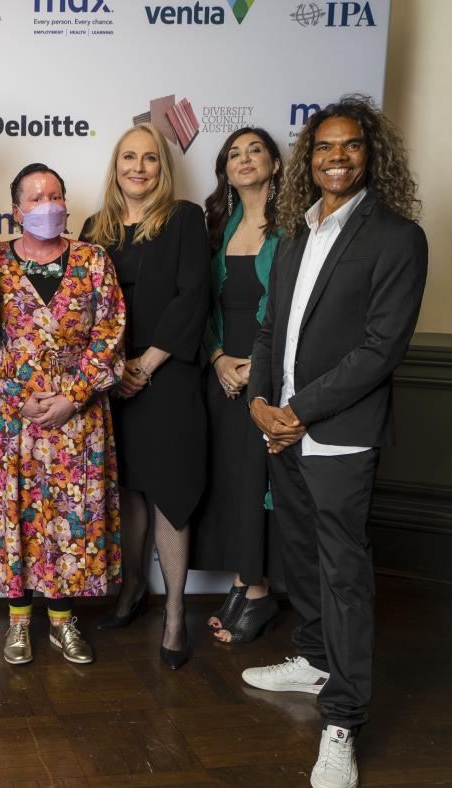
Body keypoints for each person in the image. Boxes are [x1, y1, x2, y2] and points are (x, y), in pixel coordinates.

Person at [242, 95, 427, 788]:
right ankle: (315, 658)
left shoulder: (398, 237)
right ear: (309, 157)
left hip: (339, 435)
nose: (336, 158)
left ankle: (343, 720)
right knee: (300, 553)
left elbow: (381, 349)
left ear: (371, 155)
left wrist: (296, 410)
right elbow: (268, 331)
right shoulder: (293, 232)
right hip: (281, 430)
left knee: (345, 578)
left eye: (350, 146)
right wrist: (262, 402)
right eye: (324, 147)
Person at [0, 163, 126, 666]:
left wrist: (73, 395)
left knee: (70, 520)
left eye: (55, 195)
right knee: (17, 516)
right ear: (16, 212)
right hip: (13, 420)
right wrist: (16, 394)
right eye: (35, 198)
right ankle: (17, 621)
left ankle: (62, 620)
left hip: (78, 418)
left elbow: (110, 333)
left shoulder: (94, 261)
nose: (47, 204)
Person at [80, 123, 209, 670]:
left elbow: (192, 297)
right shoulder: (94, 227)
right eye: (128, 158)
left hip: (168, 377)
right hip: (112, 385)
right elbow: (81, 310)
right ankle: (132, 590)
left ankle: (176, 615)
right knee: (127, 493)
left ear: (163, 168)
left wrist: (147, 362)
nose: (138, 167)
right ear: (115, 166)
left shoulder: (184, 218)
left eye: (150, 159)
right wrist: (113, 371)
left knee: (169, 496)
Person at [192, 128, 284, 643]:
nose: (244, 159)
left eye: (255, 151)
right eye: (234, 153)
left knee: (259, 485)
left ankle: (258, 593)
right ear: (224, 169)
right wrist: (220, 357)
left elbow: (294, 314)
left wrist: (258, 368)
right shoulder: (218, 227)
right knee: (232, 485)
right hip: (222, 378)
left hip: (269, 381)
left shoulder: (293, 229)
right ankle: (239, 581)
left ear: (274, 162)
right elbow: (204, 309)